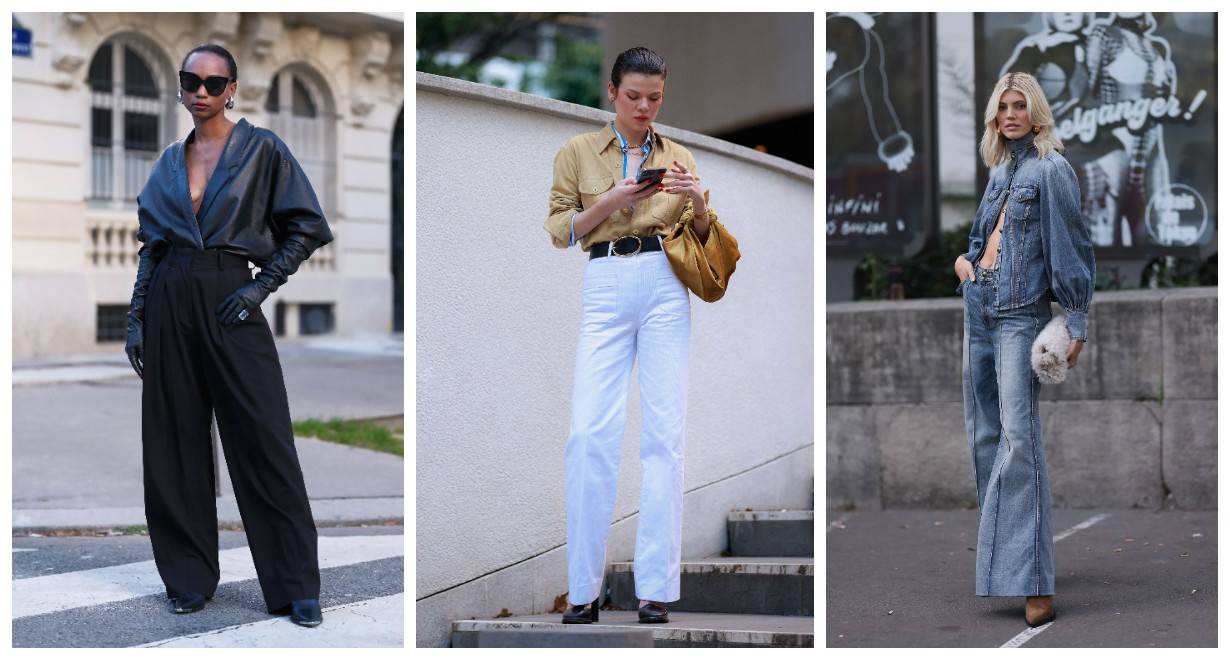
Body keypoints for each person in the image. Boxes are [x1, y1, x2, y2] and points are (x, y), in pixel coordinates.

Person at [124, 44, 333, 627]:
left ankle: (296, 585)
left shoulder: (261, 149)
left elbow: (307, 227)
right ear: (180, 87)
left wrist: (258, 287)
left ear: (233, 89)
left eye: (214, 83)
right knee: (173, 445)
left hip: (229, 296)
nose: (201, 91)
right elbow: (153, 248)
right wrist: (137, 317)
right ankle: (188, 577)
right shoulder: (169, 161)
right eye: (191, 80)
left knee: (264, 440)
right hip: (168, 297)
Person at [544, 46, 719, 625]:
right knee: (589, 434)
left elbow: (701, 231)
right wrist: (613, 199)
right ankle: (584, 591)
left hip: (666, 283)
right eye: (634, 96)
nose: (645, 107)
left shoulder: (678, 153)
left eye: (655, 98)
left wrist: (696, 200)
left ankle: (655, 590)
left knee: (664, 438)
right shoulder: (576, 152)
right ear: (612, 92)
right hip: (606, 278)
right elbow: (560, 231)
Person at [954, 71, 1095, 628]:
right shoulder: (1000, 170)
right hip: (978, 308)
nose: (1009, 114)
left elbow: (1072, 244)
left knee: (1019, 438)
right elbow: (977, 240)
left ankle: (1033, 578)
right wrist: (965, 265)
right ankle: (1007, 563)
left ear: (1035, 112)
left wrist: (1076, 317)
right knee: (984, 435)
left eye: (1019, 106)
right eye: (1002, 107)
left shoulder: (1051, 169)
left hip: (1018, 317)